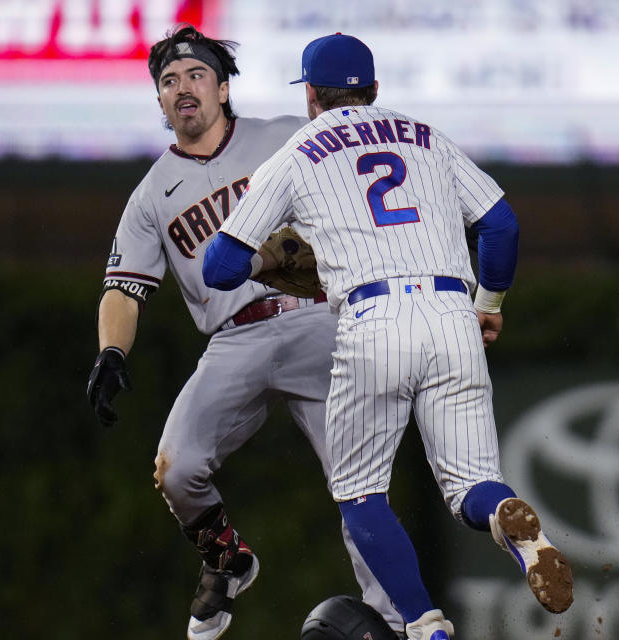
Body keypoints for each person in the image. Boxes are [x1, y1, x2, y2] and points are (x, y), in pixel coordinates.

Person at [202, 33, 574, 639]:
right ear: (374, 90)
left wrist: (268, 263)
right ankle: (513, 525)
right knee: (472, 484)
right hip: (452, 309)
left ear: (312, 97)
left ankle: (426, 626)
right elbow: (500, 224)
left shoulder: (297, 152)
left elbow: (218, 269)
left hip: (372, 319)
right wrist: (490, 302)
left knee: (361, 495)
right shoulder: (426, 136)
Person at [85, 25, 401, 640]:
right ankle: (227, 560)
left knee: (359, 486)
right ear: (158, 101)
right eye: (168, 81)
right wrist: (111, 350)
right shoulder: (151, 194)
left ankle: (398, 624)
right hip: (234, 338)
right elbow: (123, 286)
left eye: (196, 75)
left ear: (224, 87)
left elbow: (373, 191)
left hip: (318, 320)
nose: (183, 88)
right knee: (177, 469)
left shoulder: (286, 135)